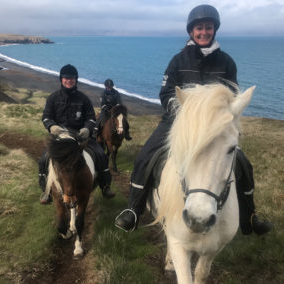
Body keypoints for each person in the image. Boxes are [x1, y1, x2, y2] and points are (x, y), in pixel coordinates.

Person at [115, 4, 272, 235]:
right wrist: (185, 115)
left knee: (243, 165)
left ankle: (249, 217)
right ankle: (134, 211)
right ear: (191, 31)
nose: (204, 32)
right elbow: (166, 93)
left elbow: (233, 97)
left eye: (208, 27)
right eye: (199, 28)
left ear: (214, 30)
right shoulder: (178, 61)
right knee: (144, 157)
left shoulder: (227, 63)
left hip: (215, 127)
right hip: (178, 122)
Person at [38, 64, 115, 203]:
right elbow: (46, 117)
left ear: (76, 80)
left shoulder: (84, 99)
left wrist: (87, 129)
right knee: (43, 159)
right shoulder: (53, 98)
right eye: (66, 78)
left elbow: (91, 118)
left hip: (81, 137)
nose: (69, 80)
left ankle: (105, 186)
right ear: (61, 79)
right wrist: (52, 126)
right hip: (60, 138)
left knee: (101, 155)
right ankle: (47, 191)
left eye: (72, 78)